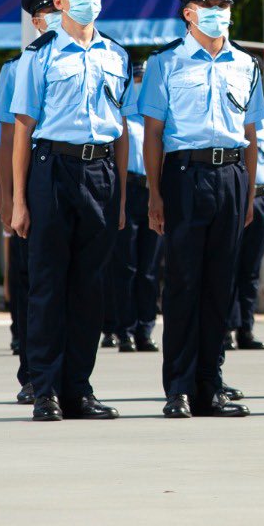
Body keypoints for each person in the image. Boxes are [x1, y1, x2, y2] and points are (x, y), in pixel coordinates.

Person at [138, 0, 264, 419]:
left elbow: (250, 134)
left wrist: (248, 194)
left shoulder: (246, 64)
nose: (219, 13)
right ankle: (179, 387)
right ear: (189, 13)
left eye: (224, 6)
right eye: (209, 7)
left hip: (231, 175)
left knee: (220, 285)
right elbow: (153, 134)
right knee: (184, 284)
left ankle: (211, 384)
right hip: (185, 176)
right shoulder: (165, 63)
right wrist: (154, 193)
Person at [11, 0, 130, 421]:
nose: (88, 2)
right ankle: (45, 389)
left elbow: (121, 128)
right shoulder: (38, 55)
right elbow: (23, 128)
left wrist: (120, 194)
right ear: (59, 2)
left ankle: (79, 388)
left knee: (89, 287)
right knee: (47, 285)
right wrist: (19, 201)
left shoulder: (116, 55)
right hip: (53, 169)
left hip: (100, 170)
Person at [0, 0, 55, 403]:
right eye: (49, 12)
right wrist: (7, 196)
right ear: (37, 21)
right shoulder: (17, 68)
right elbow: (6, 138)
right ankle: (32, 372)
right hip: (31, 182)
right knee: (33, 281)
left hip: (70, 178)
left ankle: (65, 374)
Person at [109, 59, 160, 354]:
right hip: (127, 190)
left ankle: (145, 330)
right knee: (125, 266)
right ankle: (125, 330)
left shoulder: (157, 118)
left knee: (149, 268)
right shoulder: (124, 117)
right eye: (137, 80)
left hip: (150, 190)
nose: (140, 85)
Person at [231, 107, 264, 351]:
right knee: (228, 265)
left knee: (251, 269)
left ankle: (246, 328)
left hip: (263, 197)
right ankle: (225, 329)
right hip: (237, 194)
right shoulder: (234, 112)